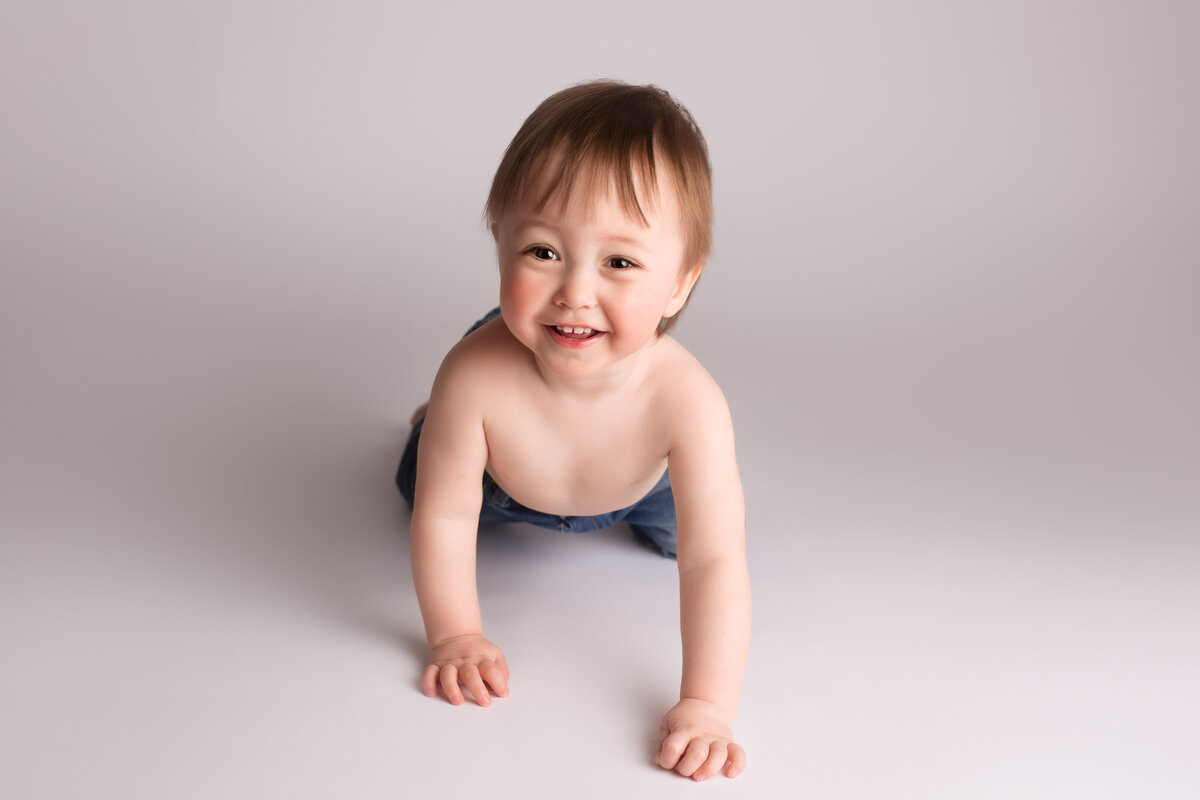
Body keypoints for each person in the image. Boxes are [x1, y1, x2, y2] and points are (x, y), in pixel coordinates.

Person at [397, 80, 750, 782]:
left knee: (693, 534)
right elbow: (444, 517)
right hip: (505, 483)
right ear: (500, 242)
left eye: (619, 262)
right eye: (542, 251)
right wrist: (456, 633)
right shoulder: (475, 375)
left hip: (637, 486)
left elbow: (715, 562)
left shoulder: (688, 401)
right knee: (419, 486)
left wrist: (708, 705)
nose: (575, 293)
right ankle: (433, 428)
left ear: (680, 282)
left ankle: (452, 434)